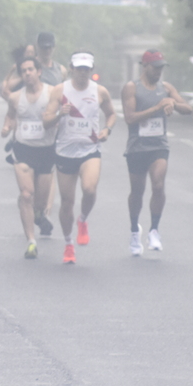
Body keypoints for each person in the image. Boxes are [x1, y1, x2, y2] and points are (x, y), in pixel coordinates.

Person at [45, 51, 116, 264]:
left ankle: (83, 220)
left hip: (89, 148)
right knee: (67, 202)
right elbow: (46, 121)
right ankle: (68, 244)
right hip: (65, 150)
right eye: (79, 68)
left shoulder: (100, 91)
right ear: (72, 68)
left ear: (91, 70)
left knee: (89, 189)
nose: (83, 73)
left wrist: (107, 130)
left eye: (86, 69)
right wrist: (60, 114)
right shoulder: (60, 90)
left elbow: (111, 114)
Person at [121, 50, 193, 255]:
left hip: (159, 146)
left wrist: (173, 103)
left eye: (162, 67)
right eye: (155, 67)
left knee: (158, 184)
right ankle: (135, 230)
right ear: (145, 66)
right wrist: (157, 107)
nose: (159, 71)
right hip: (137, 146)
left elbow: (188, 109)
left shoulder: (166, 88)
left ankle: (154, 229)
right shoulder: (131, 88)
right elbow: (129, 117)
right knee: (137, 192)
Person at [2, 55, 60, 259]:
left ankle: (38, 213)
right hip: (24, 149)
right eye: (23, 71)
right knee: (26, 194)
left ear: (39, 72)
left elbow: (61, 114)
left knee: (41, 202)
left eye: (30, 70)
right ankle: (31, 241)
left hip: (46, 150)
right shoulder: (16, 97)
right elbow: (10, 114)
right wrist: (7, 126)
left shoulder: (52, 93)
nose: (27, 73)